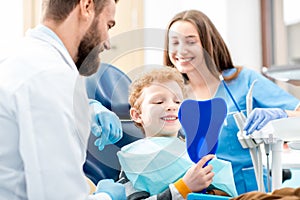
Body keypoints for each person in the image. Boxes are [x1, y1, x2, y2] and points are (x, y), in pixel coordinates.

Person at [162, 9, 300, 195]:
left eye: (191, 41)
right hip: (196, 194)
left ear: (207, 43)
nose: (181, 51)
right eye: (175, 43)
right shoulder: (172, 94)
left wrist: (282, 115)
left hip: (248, 191)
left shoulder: (244, 80)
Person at [0, 0, 125, 199]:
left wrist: (88, 109)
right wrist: (107, 197)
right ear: (86, 6)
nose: (108, 42)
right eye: (108, 25)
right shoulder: (51, 76)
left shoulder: (18, 59)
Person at [117, 67, 237, 200]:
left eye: (178, 102)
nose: (171, 106)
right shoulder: (133, 158)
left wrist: (214, 192)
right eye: (159, 102)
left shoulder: (198, 152)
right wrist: (183, 187)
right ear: (137, 115)